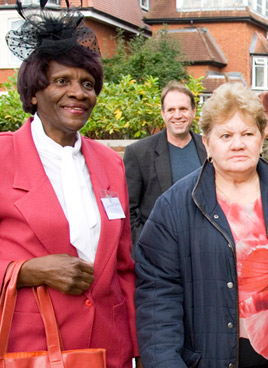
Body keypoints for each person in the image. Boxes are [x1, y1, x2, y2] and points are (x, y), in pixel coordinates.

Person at [135, 82, 268, 368]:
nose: (238, 144)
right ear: (206, 142)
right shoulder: (174, 206)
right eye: (226, 135)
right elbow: (158, 300)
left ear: (261, 138)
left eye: (248, 133)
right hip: (208, 358)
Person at [0, 7, 139, 368]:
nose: (77, 93)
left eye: (87, 84)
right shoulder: (3, 156)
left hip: (109, 349)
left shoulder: (111, 163)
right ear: (33, 94)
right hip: (30, 349)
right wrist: (28, 271)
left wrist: (137, 347)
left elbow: (123, 268)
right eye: (62, 81)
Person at [123, 81, 206, 245]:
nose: (177, 115)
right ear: (162, 113)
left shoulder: (209, 147)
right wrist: (145, 246)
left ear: (193, 111)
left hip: (202, 245)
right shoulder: (139, 153)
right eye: (171, 110)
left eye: (183, 109)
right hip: (159, 247)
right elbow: (128, 209)